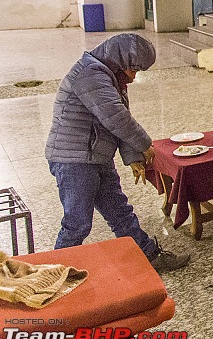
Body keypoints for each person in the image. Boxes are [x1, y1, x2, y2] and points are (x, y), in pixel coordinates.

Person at [45, 33, 189, 273]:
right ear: (119, 59)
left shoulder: (110, 75)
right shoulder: (90, 73)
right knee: (77, 223)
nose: (134, 77)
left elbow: (121, 115)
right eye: (133, 69)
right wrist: (144, 145)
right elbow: (116, 118)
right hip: (74, 161)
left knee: (120, 212)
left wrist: (132, 157)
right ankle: (52, 273)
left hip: (95, 156)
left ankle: (149, 256)